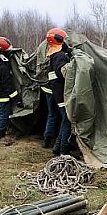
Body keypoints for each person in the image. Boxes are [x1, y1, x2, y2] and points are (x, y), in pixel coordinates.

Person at [46, 28, 74, 156]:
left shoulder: (53, 54)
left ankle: (57, 149)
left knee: (64, 120)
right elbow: (62, 72)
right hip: (62, 93)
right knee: (67, 121)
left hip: (57, 93)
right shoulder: (60, 56)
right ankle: (64, 151)